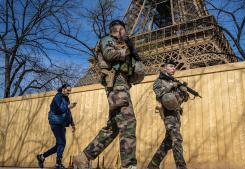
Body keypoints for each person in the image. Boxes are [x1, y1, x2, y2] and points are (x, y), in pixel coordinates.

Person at [72, 20, 140, 169]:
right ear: (115, 30)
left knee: (114, 127)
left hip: (122, 85)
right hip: (116, 84)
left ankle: (83, 158)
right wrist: (128, 50)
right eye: (121, 30)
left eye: (124, 30)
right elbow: (109, 54)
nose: (123, 33)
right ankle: (129, 165)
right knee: (129, 122)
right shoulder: (107, 40)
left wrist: (135, 59)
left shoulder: (124, 45)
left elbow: (134, 70)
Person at [147, 59, 189, 169]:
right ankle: (181, 167)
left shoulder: (175, 81)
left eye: (174, 67)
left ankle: (152, 166)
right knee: (177, 139)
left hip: (176, 114)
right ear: (164, 67)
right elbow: (159, 92)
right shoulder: (159, 81)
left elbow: (183, 99)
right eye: (171, 66)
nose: (174, 68)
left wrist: (184, 91)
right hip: (167, 113)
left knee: (169, 141)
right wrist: (171, 85)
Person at [36, 84, 76, 169]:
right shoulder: (58, 97)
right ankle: (58, 164)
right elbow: (58, 109)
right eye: (68, 90)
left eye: (70, 91)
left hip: (62, 123)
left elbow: (67, 111)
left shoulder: (66, 98)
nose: (69, 92)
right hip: (55, 122)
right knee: (62, 143)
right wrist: (68, 106)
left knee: (59, 145)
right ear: (63, 89)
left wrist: (72, 123)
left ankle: (42, 156)